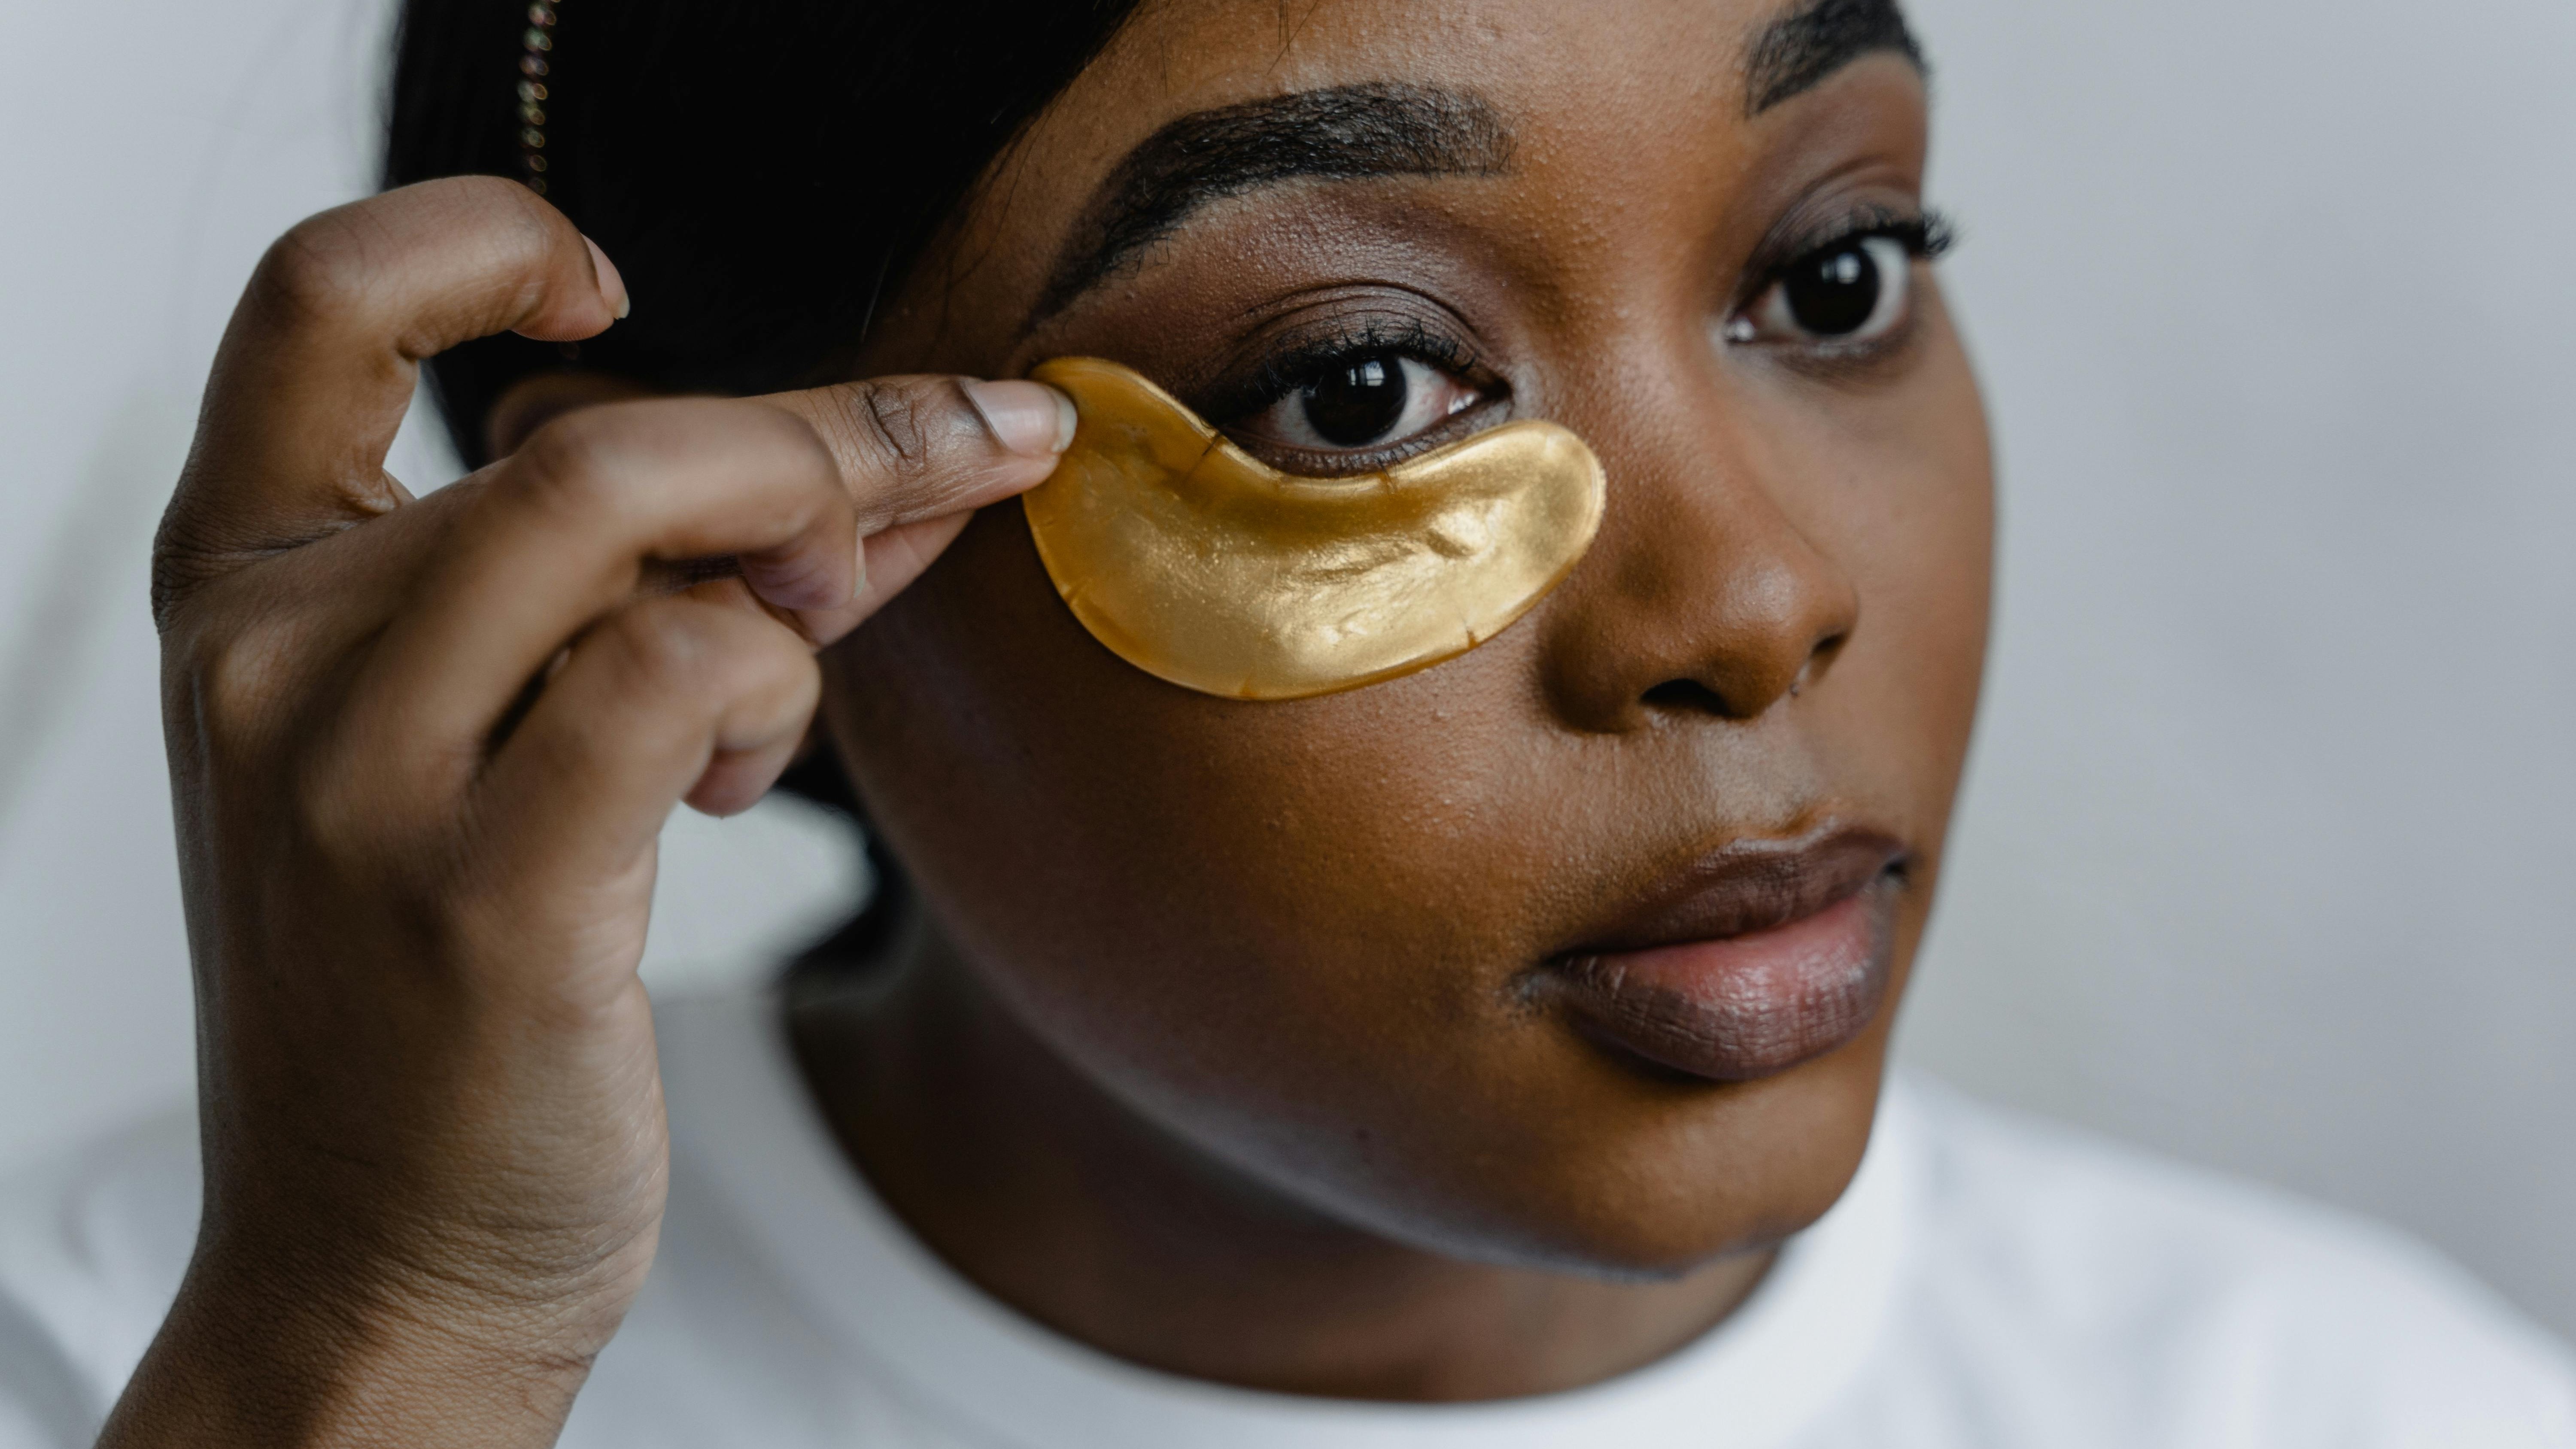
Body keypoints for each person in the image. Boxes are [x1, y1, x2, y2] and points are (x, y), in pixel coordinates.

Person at [3, 0, 2572, 1444]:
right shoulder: (136, 1357)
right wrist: (389, 1351)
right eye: (1357, 390)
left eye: (1836, 270)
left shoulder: (2354, 1412)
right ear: (698, 559)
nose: (1761, 601)